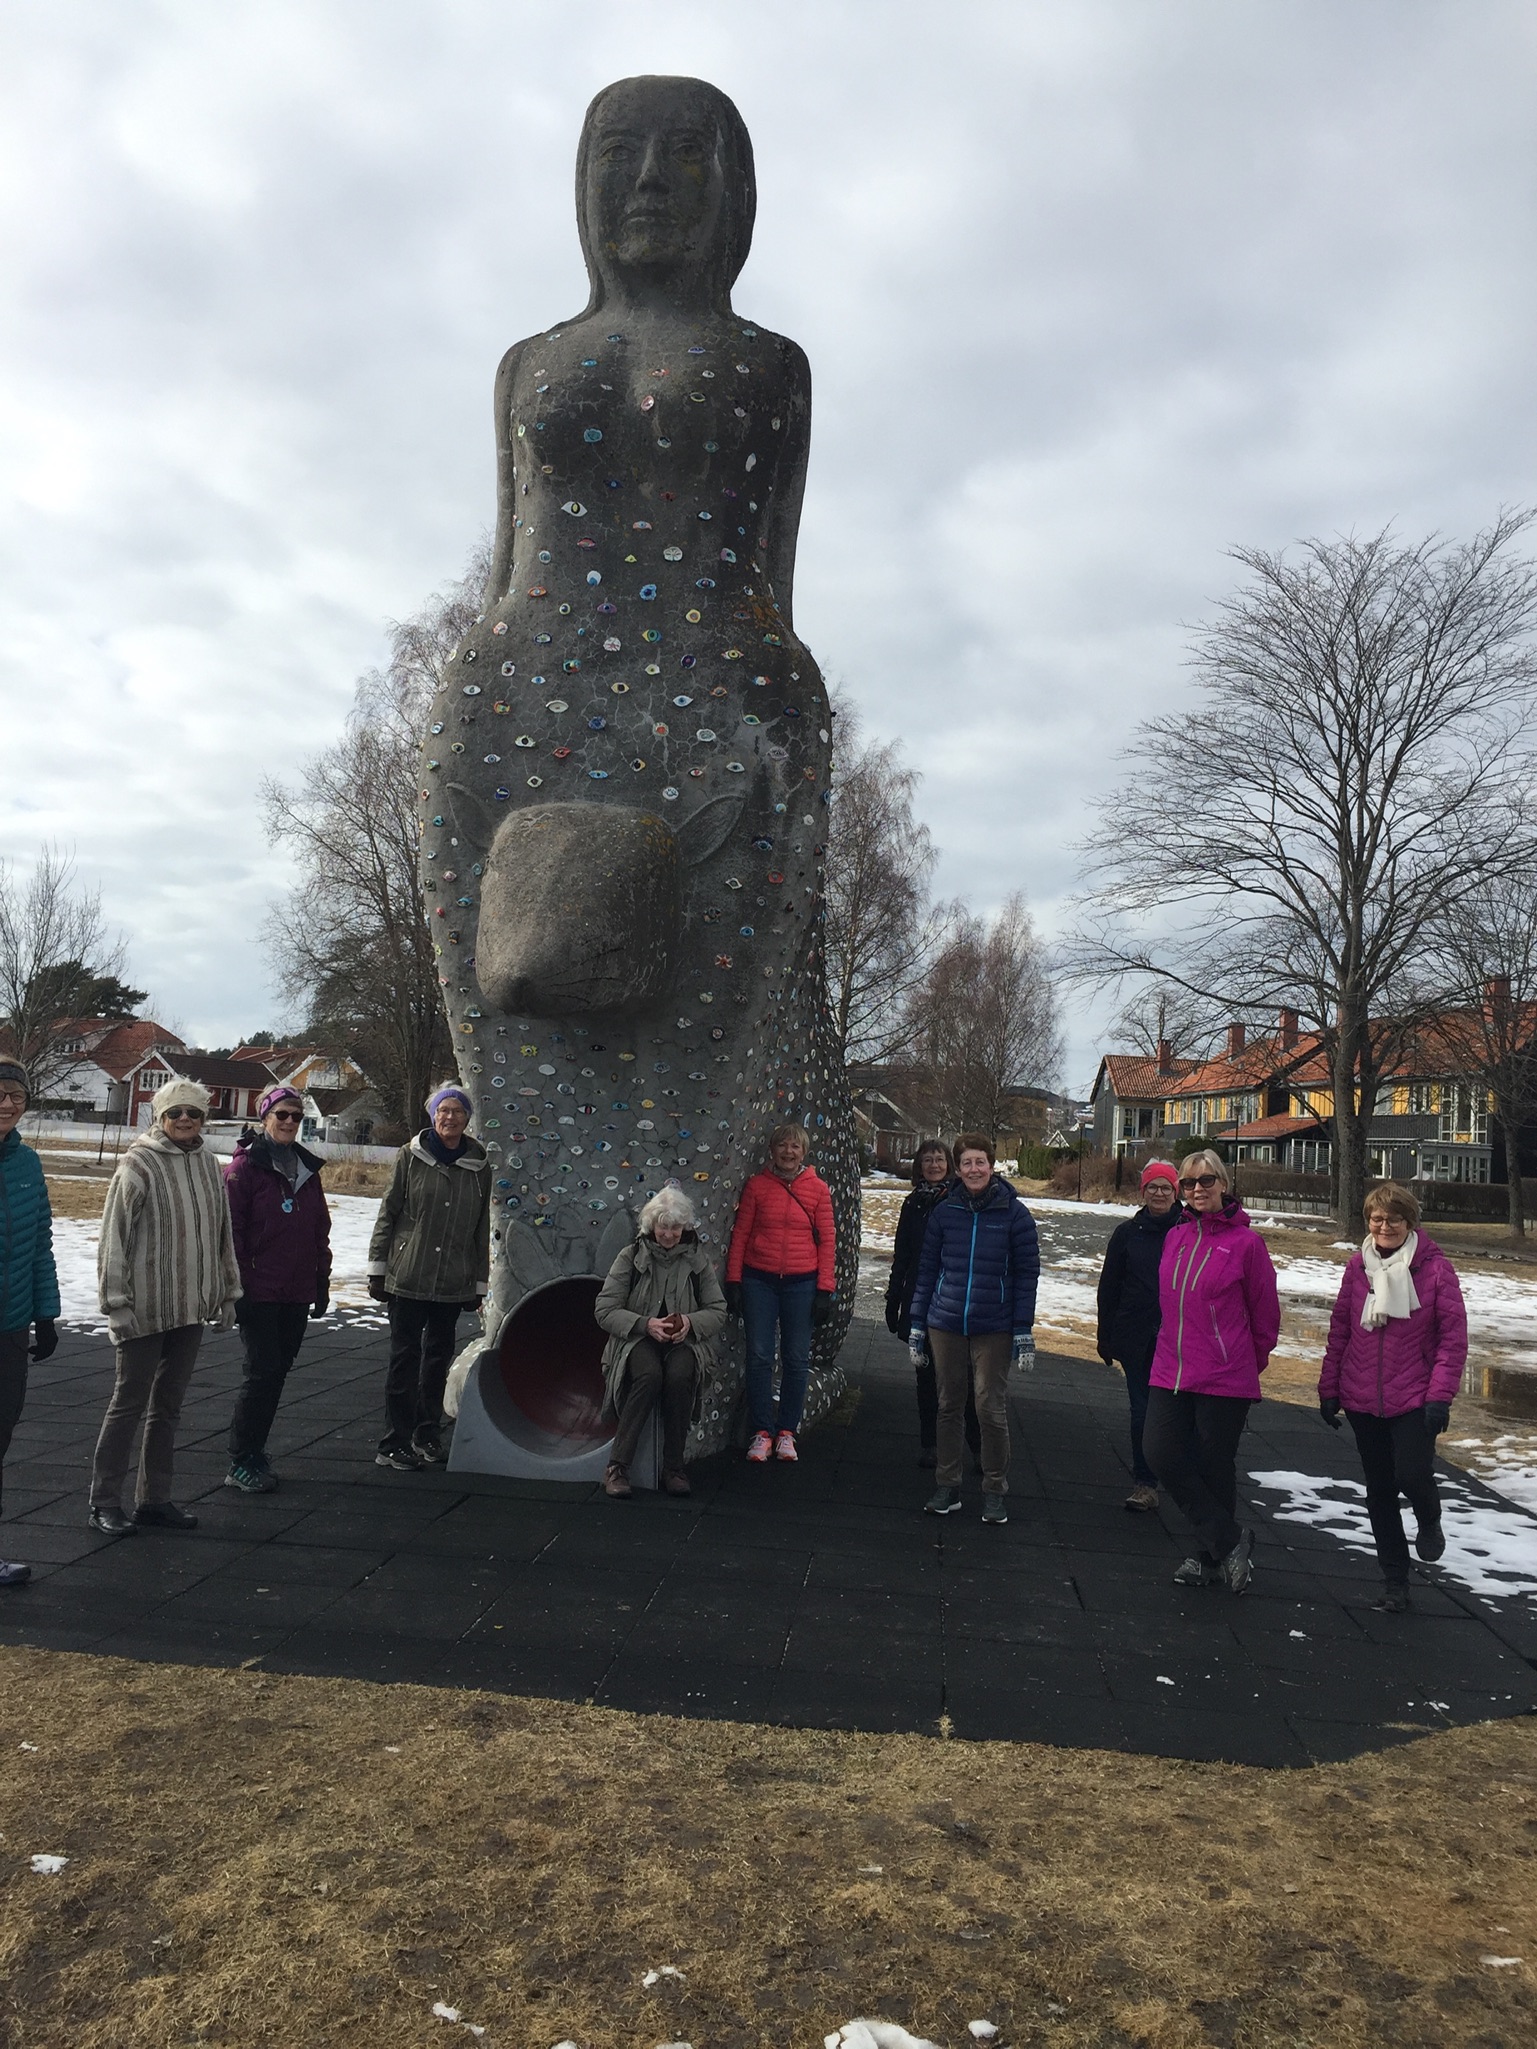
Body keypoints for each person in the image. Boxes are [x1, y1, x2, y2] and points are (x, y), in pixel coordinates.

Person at [92, 1077, 240, 1537]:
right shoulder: (139, 1163)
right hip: (145, 1305)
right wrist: (115, 1303)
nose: (183, 1120)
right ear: (160, 1116)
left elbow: (221, 1231)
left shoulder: (208, 1165)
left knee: (168, 1407)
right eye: (175, 1112)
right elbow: (112, 1237)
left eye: (192, 1113)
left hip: (190, 1308)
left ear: (203, 1119)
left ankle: (154, 1499)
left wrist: (228, 1290)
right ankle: (103, 1501)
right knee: (128, 1404)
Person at [1318, 1181, 1467, 1612]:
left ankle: (1430, 1518)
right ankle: (1395, 1581)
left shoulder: (1436, 1271)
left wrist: (1440, 1396)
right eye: (1376, 1219)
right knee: (1380, 1490)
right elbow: (1340, 1331)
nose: (1384, 1226)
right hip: (1363, 1398)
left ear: (1410, 1222)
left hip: (1416, 1397)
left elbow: (1452, 1340)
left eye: (1393, 1219)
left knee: (1412, 1475)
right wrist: (1330, 1389)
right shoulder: (1356, 1268)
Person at [1142, 1148, 1279, 1594]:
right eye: (1189, 1183)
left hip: (1224, 1374)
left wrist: (1242, 1362)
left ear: (1223, 1184)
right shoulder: (1176, 1237)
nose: (1197, 1189)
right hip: (1171, 1368)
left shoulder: (1247, 1245)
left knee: (1213, 1464)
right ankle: (1231, 1541)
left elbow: (1265, 1317)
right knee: (1159, 1452)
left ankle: (1208, 1560)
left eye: (1206, 1181)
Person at [908, 1134, 1039, 1526]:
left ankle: (995, 1488)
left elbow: (1027, 1276)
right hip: (945, 1322)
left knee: (988, 1407)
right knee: (948, 1405)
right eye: (966, 1163)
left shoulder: (1015, 1215)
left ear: (992, 1165)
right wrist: (917, 1323)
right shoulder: (945, 1212)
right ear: (958, 1168)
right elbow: (927, 1270)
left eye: (980, 1162)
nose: (974, 1169)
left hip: (993, 1325)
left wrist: (1022, 1330)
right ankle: (948, 1484)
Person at [368, 1082, 491, 1471]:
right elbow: (389, 1213)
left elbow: (480, 1226)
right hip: (410, 1273)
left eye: (457, 1111)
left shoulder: (478, 1166)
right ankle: (394, 1441)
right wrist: (378, 1268)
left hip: (453, 1278)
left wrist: (479, 1281)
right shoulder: (411, 1157)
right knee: (405, 1359)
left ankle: (427, 1433)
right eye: (443, 1110)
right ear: (433, 1115)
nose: (449, 1117)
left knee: (437, 1360)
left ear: (467, 1118)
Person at [222, 1085, 333, 1493]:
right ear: (264, 1116)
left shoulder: (306, 1169)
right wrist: (238, 1287)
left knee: (278, 1373)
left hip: (296, 1288)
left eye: (296, 1117)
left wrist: (320, 1279)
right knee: (261, 1372)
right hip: (259, 1289)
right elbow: (230, 1233)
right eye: (281, 1114)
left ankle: (255, 1450)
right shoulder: (244, 1170)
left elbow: (319, 1228)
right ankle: (240, 1459)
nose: (288, 1122)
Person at [594, 1186, 728, 1498]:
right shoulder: (630, 1258)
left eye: (675, 1228)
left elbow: (718, 1310)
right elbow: (604, 1309)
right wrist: (644, 1324)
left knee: (682, 1376)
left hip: (685, 1342)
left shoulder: (697, 1262)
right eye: (663, 1226)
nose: (668, 1234)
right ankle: (617, 1466)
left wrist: (690, 1323)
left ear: (686, 1228)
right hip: (636, 1340)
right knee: (648, 1375)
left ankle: (674, 1467)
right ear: (652, 1226)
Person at [724, 1124, 837, 1464]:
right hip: (760, 1279)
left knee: (796, 1357)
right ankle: (761, 1431)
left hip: (802, 1282)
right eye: (783, 1146)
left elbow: (829, 1241)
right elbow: (741, 1233)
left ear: (804, 1153)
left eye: (795, 1147)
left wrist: (824, 1290)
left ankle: (787, 1430)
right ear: (772, 1151)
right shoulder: (757, 1186)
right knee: (759, 1355)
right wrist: (734, 1280)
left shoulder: (818, 1189)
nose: (789, 1153)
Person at [885, 1140, 980, 1469]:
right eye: (928, 1160)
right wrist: (894, 1297)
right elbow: (903, 1255)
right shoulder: (913, 1204)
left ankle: (979, 1447)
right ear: (919, 1166)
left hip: (953, 1296)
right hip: (919, 1297)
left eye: (940, 1159)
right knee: (925, 1377)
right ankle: (931, 1444)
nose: (934, 1165)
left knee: (962, 1378)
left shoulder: (961, 1200)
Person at [1095, 1160, 1185, 1511]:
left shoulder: (1189, 1230)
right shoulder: (1127, 1234)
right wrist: (1105, 1335)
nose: (1159, 1193)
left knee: (1179, 1414)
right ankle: (1145, 1482)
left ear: (1175, 1192)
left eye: (1166, 1187)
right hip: (1136, 1336)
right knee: (1142, 1411)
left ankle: (1181, 1477)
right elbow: (1109, 1288)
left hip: (1179, 1339)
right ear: (1142, 1191)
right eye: (1152, 1187)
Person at [0, 1060, 58, 1587]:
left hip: (11, 1325)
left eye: (16, 1095)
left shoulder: (28, 1164)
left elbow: (39, 1243)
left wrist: (46, 1313)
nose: (7, 1103)